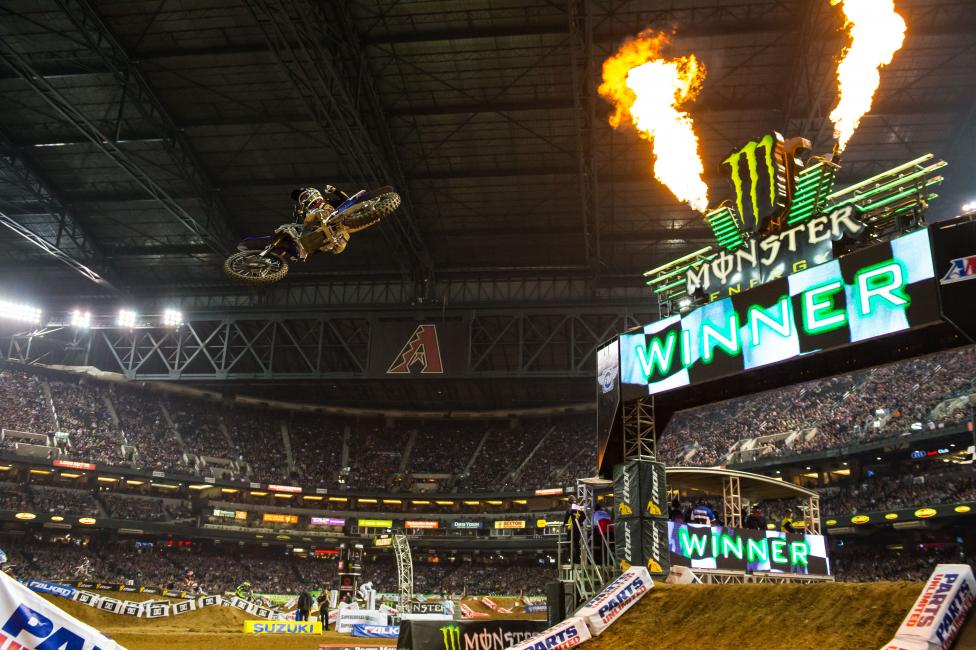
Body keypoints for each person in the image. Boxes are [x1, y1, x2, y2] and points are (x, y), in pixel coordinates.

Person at [285, 186, 351, 259]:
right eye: (302, 199)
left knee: (341, 243)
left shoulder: (328, 202)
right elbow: (302, 227)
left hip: (336, 223)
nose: (304, 200)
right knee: (312, 242)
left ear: (313, 194)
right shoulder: (306, 213)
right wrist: (299, 214)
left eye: (304, 197)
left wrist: (335, 190)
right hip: (320, 232)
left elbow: (346, 200)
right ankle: (302, 251)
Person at [563, 496, 586, 564]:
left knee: (568, 543)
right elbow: (584, 516)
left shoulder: (570, 508)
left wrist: (564, 524)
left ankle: (573, 558)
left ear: (569, 502)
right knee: (576, 544)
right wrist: (579, 522)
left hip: (572, 529)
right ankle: (578, 559)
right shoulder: (578, 508)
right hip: (578, 529)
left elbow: (567, 517)